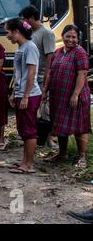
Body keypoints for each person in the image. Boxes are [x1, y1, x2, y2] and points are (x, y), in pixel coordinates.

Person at [42, 25, 91, 168]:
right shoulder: (57, 52)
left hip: (75, 96)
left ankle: (82, 157)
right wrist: (45, 91)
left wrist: (75, 95)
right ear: (62, 36)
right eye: (68, 36)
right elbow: (50, 74)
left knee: (80, 126)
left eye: (74, 37)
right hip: (58, 97)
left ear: (78, 39)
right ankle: (62, 154)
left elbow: (82, 74)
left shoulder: (79, 52)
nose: (70, 40)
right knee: (59, 124)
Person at [5, 18, 42, 174]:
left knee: (29, 130)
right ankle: (24, 161)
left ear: (16, 32)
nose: (7, 36)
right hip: (21, 93)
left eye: (8, 32)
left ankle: (29, 165)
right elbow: (19, 74)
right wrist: (15, 93)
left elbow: (31, 73)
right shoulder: (21, 47)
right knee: (23, 130)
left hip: (31, 95)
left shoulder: (30, 47)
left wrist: (26, 96)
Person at [20, 5, 58, 149]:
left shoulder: (46, 33)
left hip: (42, 77)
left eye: (24, 18)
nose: (23, 21)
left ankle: (49, 139)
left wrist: (47, 79)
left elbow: (50, 57)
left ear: (31, 18)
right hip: (32, 77)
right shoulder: (30, 33)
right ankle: (34, 138)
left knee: (46, 110)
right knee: (32, 110)